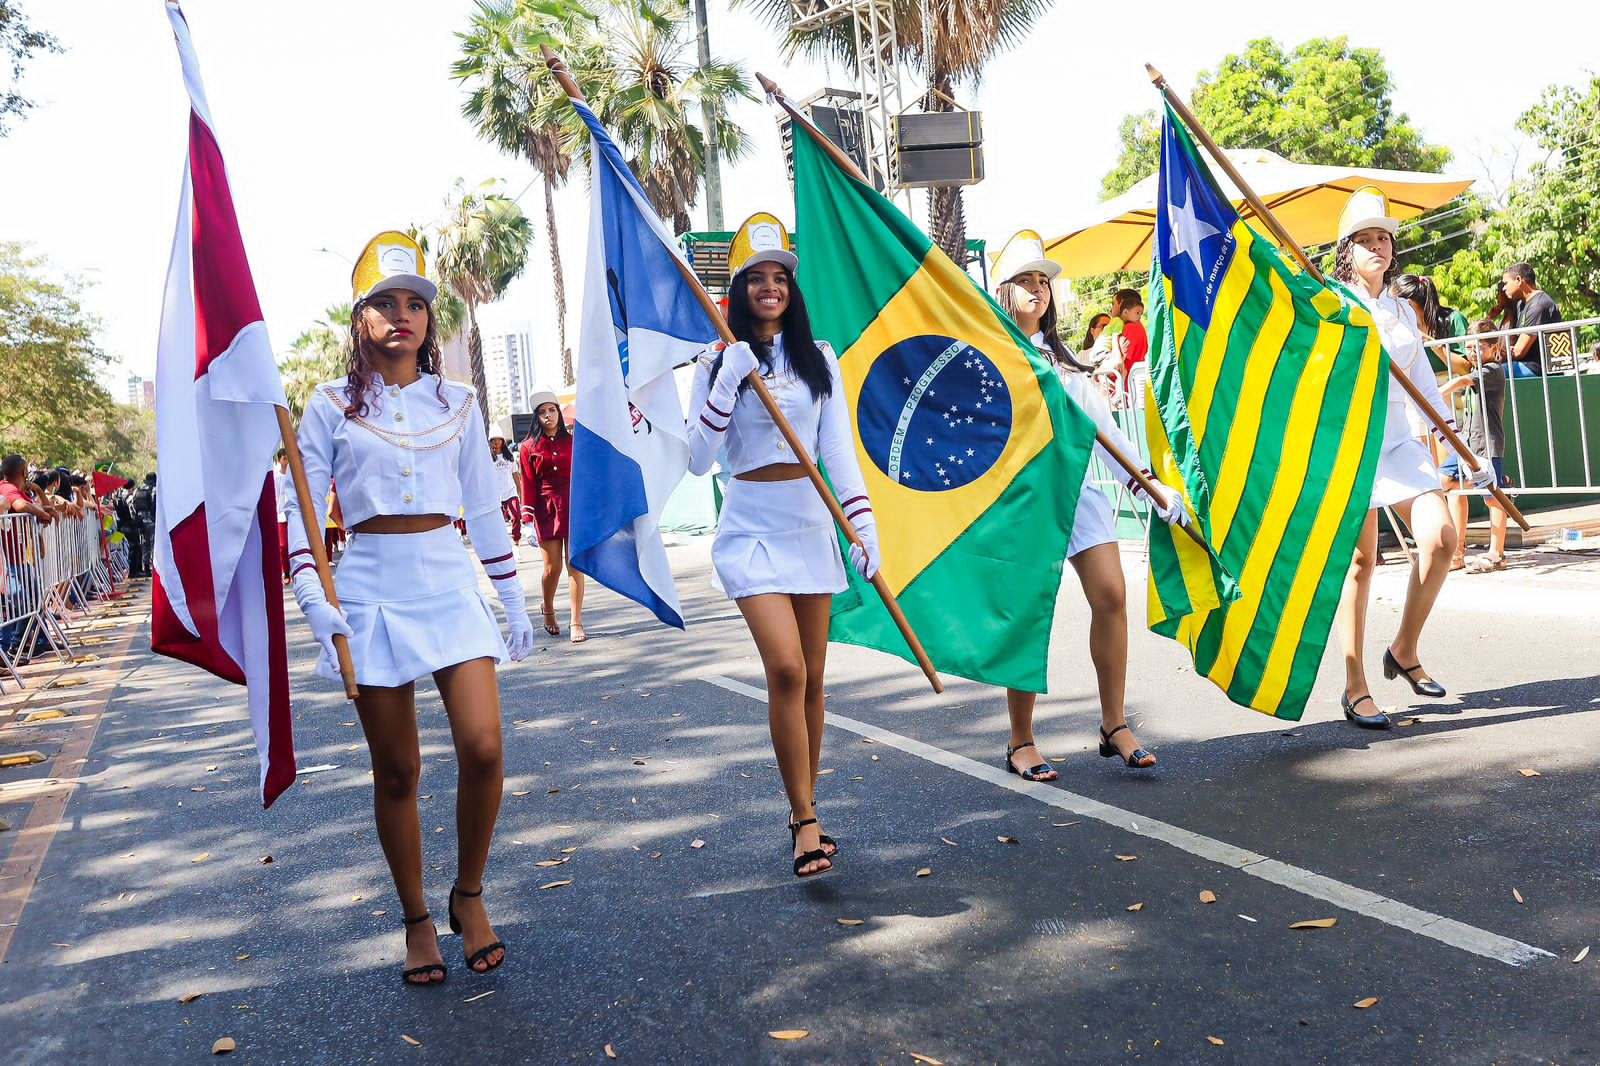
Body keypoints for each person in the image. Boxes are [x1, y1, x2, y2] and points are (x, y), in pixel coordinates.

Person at [284, 231, 535, 985]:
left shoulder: (459, 402)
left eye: (415, 304)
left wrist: (511, 593)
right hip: (368, 588)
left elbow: (484, 512)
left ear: (430, 319)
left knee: (485, 747)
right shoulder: (327, 406)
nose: (404, 316)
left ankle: (468, 895)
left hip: (447, 579)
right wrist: (312, 597)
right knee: (397, 770)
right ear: (360, 319)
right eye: (386, 304)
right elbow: (303, 511)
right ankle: (417, 919)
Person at [684, 212, 878, 878]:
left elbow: (837, 454)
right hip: (750, 528)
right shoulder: (714, 359)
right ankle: (802, 820)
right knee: (787, 670)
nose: (770, 288)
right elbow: (697, 459)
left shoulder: (818, 357)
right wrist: (727, 380)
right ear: (737, 289)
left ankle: (809, 802)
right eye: (757, 278)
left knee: (816, 678)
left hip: (810, 524)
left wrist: (864, 529)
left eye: (780, 278)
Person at [988, 232, 1189, 780]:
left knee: (1111, 596)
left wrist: (1149, 485)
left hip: (1081, 495)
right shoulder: (991, 355)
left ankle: (1113, 723)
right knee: (1033, 613)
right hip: (1027, 501)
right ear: (1002, 291)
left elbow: (1104, 429)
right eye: (1025, 280)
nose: (1037, 289)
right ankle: (1020, 740)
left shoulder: (1064, 360)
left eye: (1042, 281)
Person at [1329, 188, 1495, 730]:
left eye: (1384, 237)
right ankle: (1356, 687)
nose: (1378, 245)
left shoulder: (1402, 309)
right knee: (1361, 563)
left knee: (1443, 540)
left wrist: (1468, 457)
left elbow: (1424, 386)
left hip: (1400, 440)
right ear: (1346, 249)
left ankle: (1403, 649)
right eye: (1366, 238)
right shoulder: (1329, 303)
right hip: (1352, 440)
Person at [1440, 319, 1512, 572]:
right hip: (1467, 443)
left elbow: (1461, 382)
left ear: (1494, 348)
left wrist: (1437, 393)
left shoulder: (1492, 370)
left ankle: (1497, 553)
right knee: (1449, 483)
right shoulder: (1474, 367)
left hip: (1486, 444)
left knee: (1493, 498)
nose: (1472, 353)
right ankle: (1458, 552)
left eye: (1478, 348)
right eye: (1469, 347)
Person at [518, 392, 585, 643]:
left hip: (573, 507)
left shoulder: (575, 442)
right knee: (552, 567)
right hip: (546, 510)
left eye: (552, 410)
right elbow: (528, 484)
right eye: (543, 412)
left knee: (575, 564)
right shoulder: (528, 447)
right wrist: (527, 521)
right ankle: (548, 608)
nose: (549, 415)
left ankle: (576, 620)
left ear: (558, 411)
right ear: (537, 417)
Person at [1501, 262, 1562, 376]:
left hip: (1539, 370)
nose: (1504, 288)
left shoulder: (1539, 305)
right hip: (1524, 366)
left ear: (1518, 280)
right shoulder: (1521, 304)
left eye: (1506, 283)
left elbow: (1519, 352)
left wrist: (1496, 353)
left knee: (1491, 375)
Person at [488, 432, 521, 544]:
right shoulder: (487, 458)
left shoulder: (509, 457)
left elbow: (516, 476)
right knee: (498, 523)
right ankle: (503, 544)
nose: (496, 442)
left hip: (510, 493)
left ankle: (516, 541)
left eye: (498, 439)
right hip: (495, 496)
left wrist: (520, 493)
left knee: (516, 516)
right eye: (493, 440)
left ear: (502, 441)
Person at [273, 448, 292, 583]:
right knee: (283, 545)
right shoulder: (276, 478)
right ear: (279, 460)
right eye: (284, 459)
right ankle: (286, 572)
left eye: (288, 458)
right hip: (280, 515)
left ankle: (295, 571)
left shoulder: (293, 475)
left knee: (294, 543)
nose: (286, 461)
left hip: (293, 513)